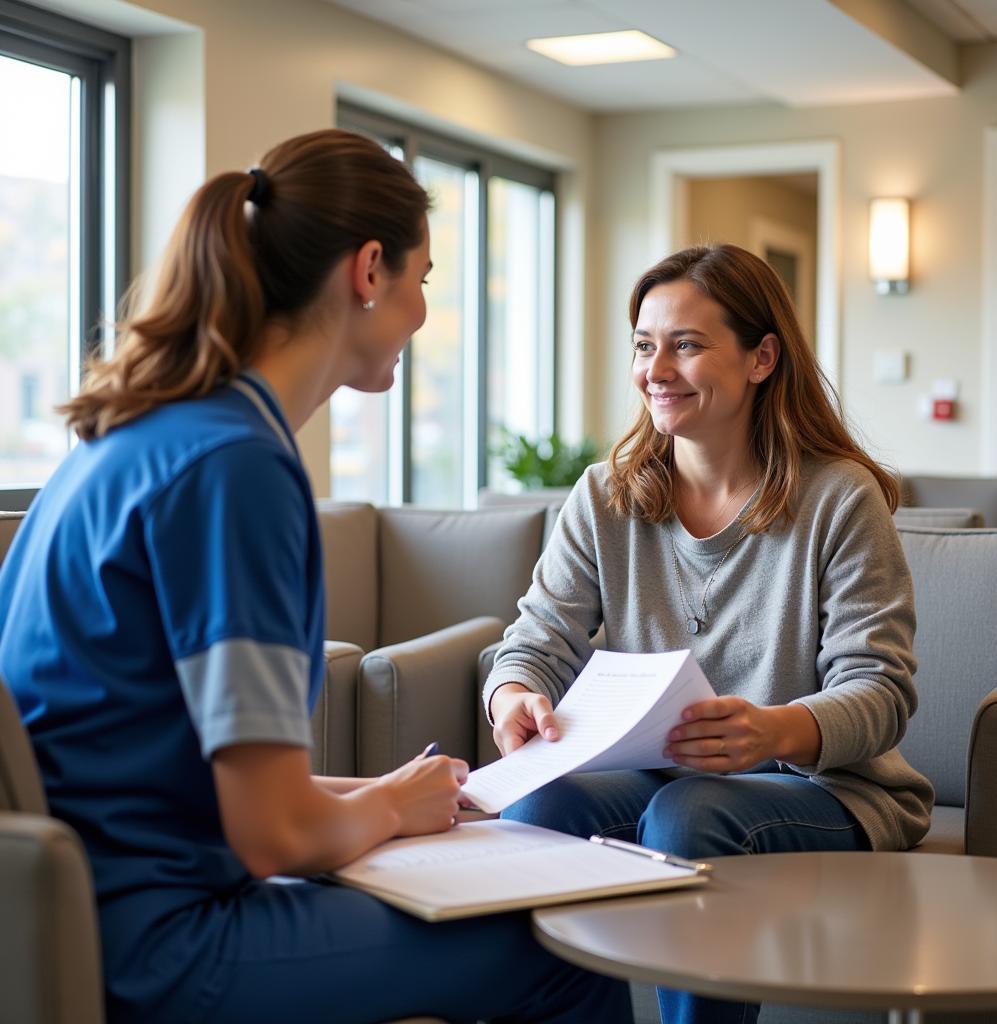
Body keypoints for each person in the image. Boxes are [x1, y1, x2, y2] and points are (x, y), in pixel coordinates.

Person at [0, 129, 632, 1024]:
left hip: (85, 910)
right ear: (369, 270)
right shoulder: (237, 470)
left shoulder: (135, 439)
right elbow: (274, 835)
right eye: (424, 279)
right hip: (159, 943)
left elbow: (165, 768)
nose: (420, 311)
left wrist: (387, 798)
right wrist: (381, 812)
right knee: (574, 944)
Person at [482, 243, 935, 1024]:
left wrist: (773, 731)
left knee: (691, 815)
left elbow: (882, 692)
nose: (657, 368)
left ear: (762, 358)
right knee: (539, 810)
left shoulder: (839, 499)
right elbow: (534, 640)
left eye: (686, 345)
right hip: (661, 778)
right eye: (644, 345)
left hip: (825, 789)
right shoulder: (606, 495)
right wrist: (513, 697)